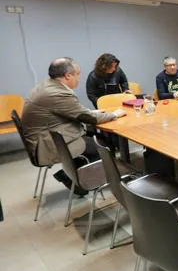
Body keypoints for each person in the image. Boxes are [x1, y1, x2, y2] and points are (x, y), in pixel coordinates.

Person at [21, 57, 126, 195]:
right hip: (49, 145)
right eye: (78, 74)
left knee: (96, 137)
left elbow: (72, 111)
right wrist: (115, 114)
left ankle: (76, 175)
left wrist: (90, 112)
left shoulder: (48, 85)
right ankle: (81, 181)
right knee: (101, 145)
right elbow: (91, 119)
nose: (79, 77)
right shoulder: (58, 93)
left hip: (47, 137)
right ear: (68, 75)